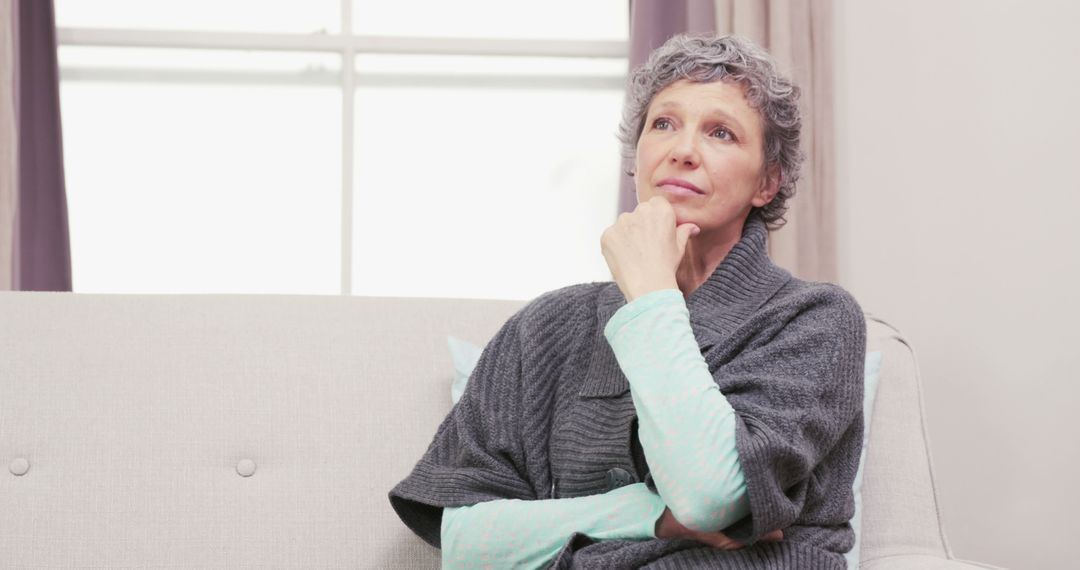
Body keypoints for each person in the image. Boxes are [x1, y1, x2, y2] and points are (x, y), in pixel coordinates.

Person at [389, 33, 865, 570]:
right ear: (636, 159)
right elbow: (466, 542)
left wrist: (651, 295)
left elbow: (708, 495)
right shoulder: (545, 326)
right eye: (663, 124)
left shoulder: (815, 320)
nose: (681, 150)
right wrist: (648, 515)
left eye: (721, 133)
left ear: (767, 181)